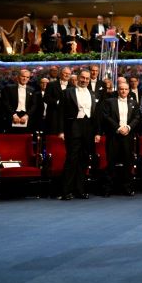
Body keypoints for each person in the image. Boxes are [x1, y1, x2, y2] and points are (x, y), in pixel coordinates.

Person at [58, 70, 98, 200]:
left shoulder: (92, 94)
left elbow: (95, 115)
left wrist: (96, 132)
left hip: (88, 129)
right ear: (77, 78)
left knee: (84, 160)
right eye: (82, 78)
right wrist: (61, 131)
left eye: (87, 79)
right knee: (71, 160)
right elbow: (61, 113)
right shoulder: (67, 92)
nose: (85, 80)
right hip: (73, 128)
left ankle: (80, 190)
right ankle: (66, 191)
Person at [100, 81, 140, 197]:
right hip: (113, 135)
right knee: (111, 161)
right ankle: (108, 188)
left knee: (128, 162)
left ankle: (127, 188)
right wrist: (118, 128)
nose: (124, 91)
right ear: (118, 90)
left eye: (126, 89)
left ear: (129, 91)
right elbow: (106, 117)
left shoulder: (134, 103)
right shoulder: (109, 102)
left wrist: (128, 127)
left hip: (128, 135)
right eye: (121, 89)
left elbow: (137, 117)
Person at [0, 69, 37, 133]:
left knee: (25, 138)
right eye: (23, 76)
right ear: (18, 76)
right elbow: (5, 102)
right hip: (12, 115)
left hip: (26, 116)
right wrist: (13, 115)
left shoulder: (32, 90)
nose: (25, 78)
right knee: (12, 139)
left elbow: (34, 105)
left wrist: (27, 116)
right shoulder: (9, 88)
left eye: (27, 77)